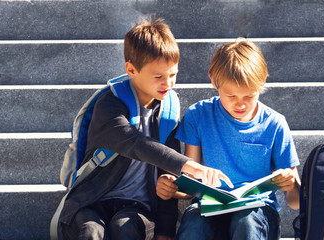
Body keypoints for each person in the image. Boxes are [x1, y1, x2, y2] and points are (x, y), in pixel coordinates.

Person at [58, 18, 232, 240]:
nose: (168, 84)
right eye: (158, 77)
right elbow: (136, 144)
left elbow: (166, 176)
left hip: (136, 205)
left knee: (126, 228)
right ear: (131, 69)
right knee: (90, 232)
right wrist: (191, 167)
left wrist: (165, 232)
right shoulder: (109, 104)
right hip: (92, 200)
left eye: (173, 75)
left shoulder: (167, 110)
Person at [156, 39, 301, 240]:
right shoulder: (199, 115)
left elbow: (295, 203)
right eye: (230, 96)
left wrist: (292, 184)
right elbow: (191, 185)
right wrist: (173, 187)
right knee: (193, 226)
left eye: (249, 96)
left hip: (257, 211)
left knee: (245, 222)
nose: (240, 104)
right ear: (214, 80)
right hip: (209, 206)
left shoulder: (275, 124)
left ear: (261, 84)